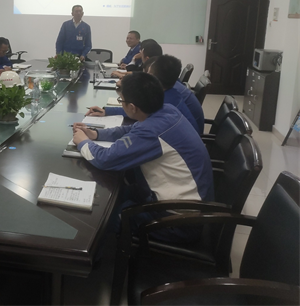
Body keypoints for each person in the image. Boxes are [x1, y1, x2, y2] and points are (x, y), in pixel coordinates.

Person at [73, 72, 213, 243]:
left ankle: (103, 255)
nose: (121, 103)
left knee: (105, 218)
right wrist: (95, 134)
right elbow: (131, 130)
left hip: (177, 221)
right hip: (187, 205)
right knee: (109, 196)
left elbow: (105, 159)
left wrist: (83, 142)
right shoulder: (167, 110)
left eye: (121, 101)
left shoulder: (152, 131)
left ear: (132, 107)